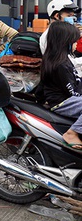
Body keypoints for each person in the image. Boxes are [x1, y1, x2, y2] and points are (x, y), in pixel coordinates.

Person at [40, 21, 82, 149]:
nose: (76, 44)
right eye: (74, 41)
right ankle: (72, 133)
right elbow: (72, 92)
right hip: (62, 102)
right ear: (65, 42)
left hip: (66, 99)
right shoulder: (60, 65)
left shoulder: (61, 59)